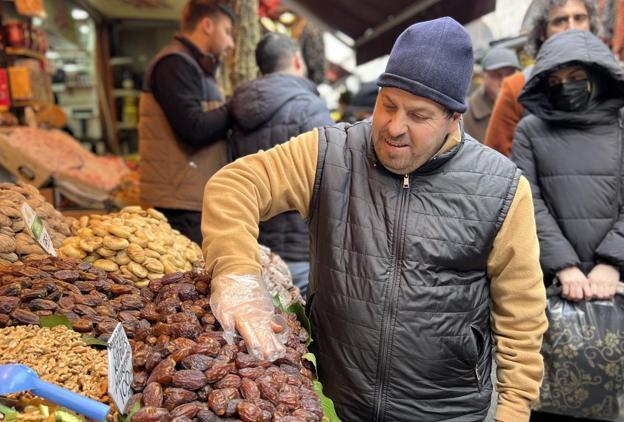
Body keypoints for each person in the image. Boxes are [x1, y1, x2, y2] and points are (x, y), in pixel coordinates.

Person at [202, 17, 548, 421]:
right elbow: (236, 185)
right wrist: (237, 276)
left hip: (447, 410)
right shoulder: (330, 153)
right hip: (336, 403)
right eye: (388, 105)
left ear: (454, 119)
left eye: (418, 116)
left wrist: (514, 411)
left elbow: (521, 315)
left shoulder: (502, 188)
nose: (394, 128)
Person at [510, 30, 624, 422]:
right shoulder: (530, 130)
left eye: (575, 77)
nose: (566, 88)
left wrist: (613, 263)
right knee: (553, 390)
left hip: (622, 285)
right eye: (555, 81)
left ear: (598, 75)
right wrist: (564, 266)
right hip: (551, 286)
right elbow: (527, 203)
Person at [228, 32, 333, 296]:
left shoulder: (238, 109)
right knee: (303, 329)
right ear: (297, 60)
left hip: (256, 244)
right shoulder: (311, 107)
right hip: (301, 246)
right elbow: (331, 176)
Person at [138, 0, 235, 245]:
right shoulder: (175, 64)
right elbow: (194, 129)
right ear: (207, 25)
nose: (231, 43)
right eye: (227, 31)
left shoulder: (196, 65)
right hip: (181, 201)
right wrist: (239, 105)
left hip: (191, 194)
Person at [484, 0, 598, 156]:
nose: (572, 28)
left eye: (579, 18)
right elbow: (496, 163)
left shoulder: (609, 83)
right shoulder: (517, 87)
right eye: (560, 20)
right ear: (542, 33)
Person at [463, 46, 520, 141]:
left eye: (510, 74)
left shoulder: (528, 105)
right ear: (483, 77)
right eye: (497, 75)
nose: (504, 81)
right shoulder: (466, 116)